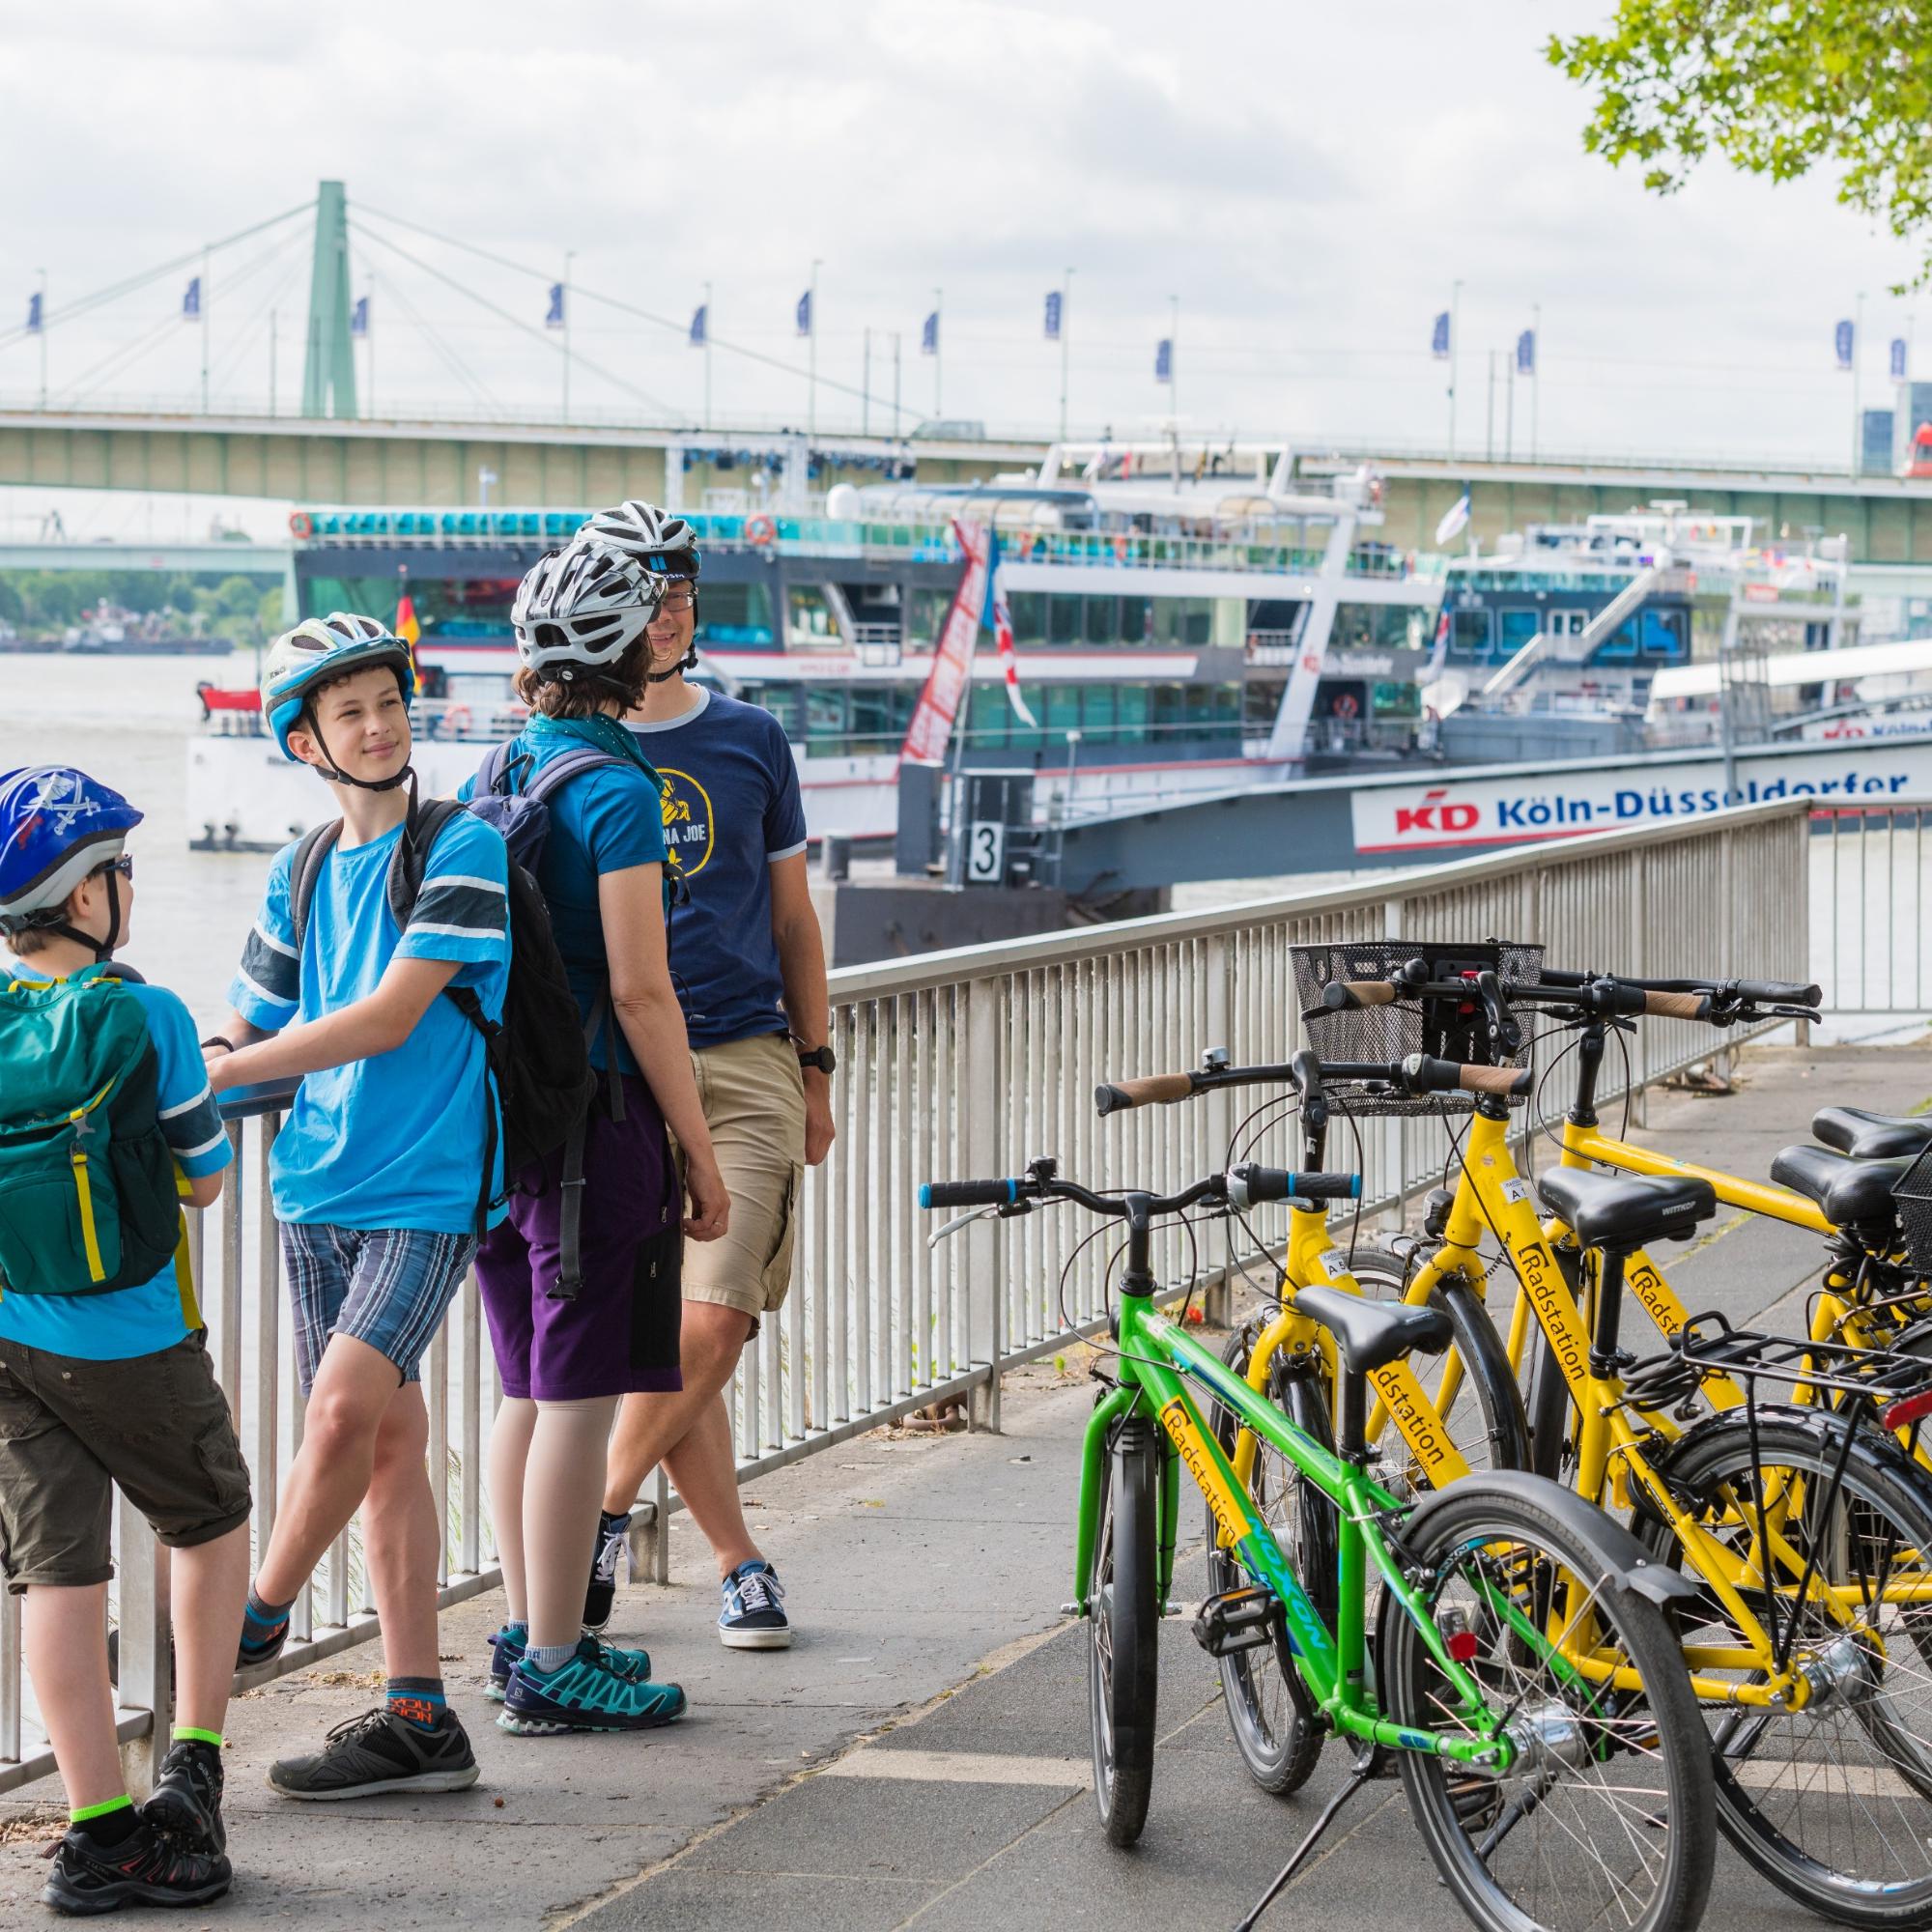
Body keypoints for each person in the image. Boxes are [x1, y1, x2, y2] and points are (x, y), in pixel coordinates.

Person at [204, 613, 509, 1800]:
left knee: (337, 1414)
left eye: (389, 700)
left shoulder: (462, 846)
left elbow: (388, 1015)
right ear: (306, 739)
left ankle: (255, 1615)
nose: (378, 725)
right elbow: (250, 1011)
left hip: (429, 1189)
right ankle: (419, 1714)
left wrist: (231, 1067)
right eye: (349, 711)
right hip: (310, 1183)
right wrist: (218, 1049)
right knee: (385, 1444)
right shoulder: (299, 866)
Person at [468, 533, 729, 1736]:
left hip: (504, 1131)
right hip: (598, 1124)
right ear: (628, 651)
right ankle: (556, 1658)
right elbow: (640, 989)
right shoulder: (618, 792)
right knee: (573, 1397)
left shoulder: (503, 771)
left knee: (527, 1384)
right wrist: (701, 1145)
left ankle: (531, 1632)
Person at [581, 501, 835, 1651]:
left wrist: (817, 1068)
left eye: (682, 584)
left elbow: (793, 921)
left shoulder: (750, 738)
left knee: (715, 1316)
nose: (671, 604)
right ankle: (739, 1560)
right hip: (615, 1073)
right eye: (647, 586)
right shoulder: (571, 745)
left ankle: (591, 1514)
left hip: (741, 1055)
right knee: (670, 1333)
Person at [0, 767, 246, 1913]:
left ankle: (98, 1832)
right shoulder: (146, 1016)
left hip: (9, 1338)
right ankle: (192, 1761)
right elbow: (203, 1180)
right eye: (119, 871)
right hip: (135, 1334)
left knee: (57, 1572)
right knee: (208, 1518)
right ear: (88, 893)